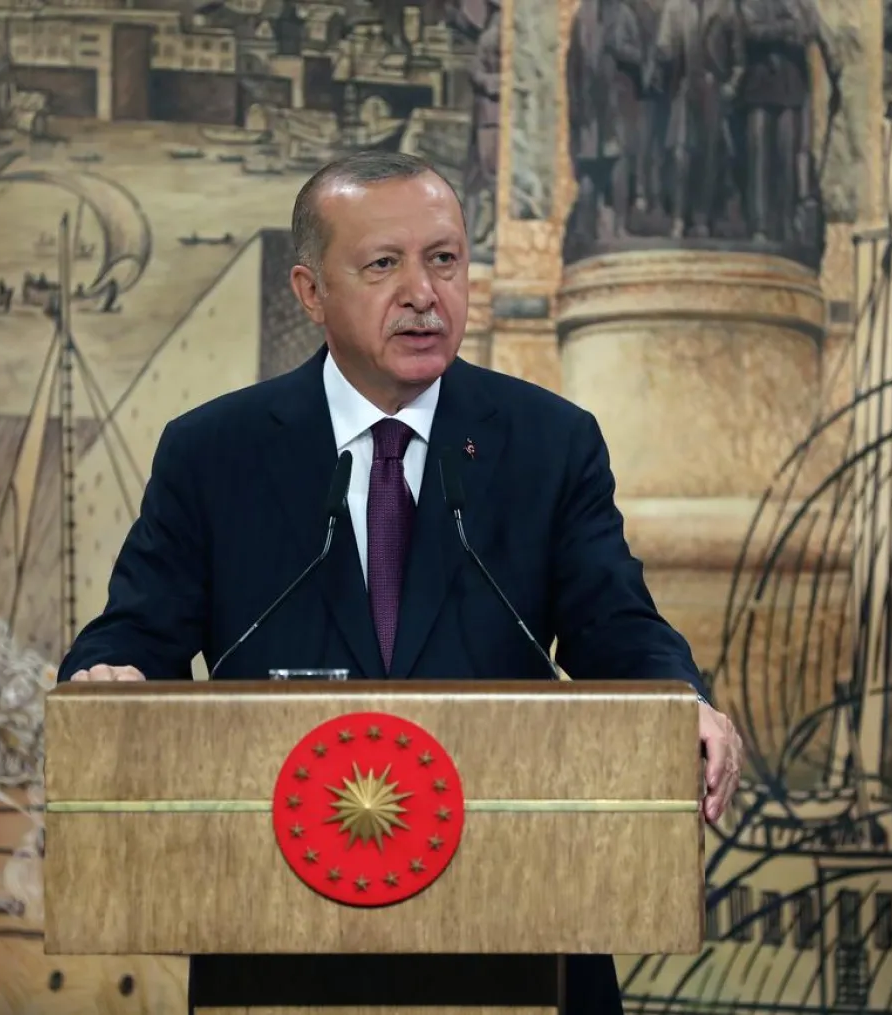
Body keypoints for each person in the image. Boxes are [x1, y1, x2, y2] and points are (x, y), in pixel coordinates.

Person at [59, 151, 745, 1015]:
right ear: (310, 292)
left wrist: (680, 697)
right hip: (284, 937)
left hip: (523, 921)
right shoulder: (215, 452)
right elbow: (132, 635)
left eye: (445, 259)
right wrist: (110, 676)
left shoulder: (549, 442)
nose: (424, 293)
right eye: (384, 264)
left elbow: (619, 625)